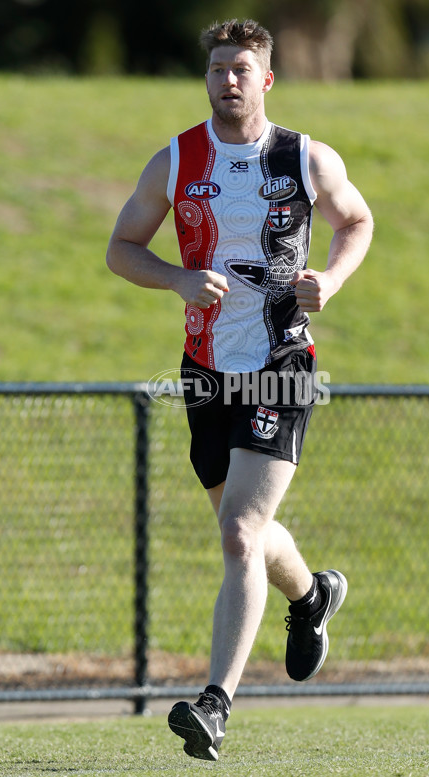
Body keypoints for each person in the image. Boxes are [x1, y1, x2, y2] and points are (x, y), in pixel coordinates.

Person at [106, 18, 373, 762]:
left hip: (282, 364)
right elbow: (120, 248)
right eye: (218, 68)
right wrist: (177, 278)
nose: (229, 80)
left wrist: (335, 278)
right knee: (246, 529)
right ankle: (311, 595)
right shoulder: (177, 159)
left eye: (242, 69)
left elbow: (356, 219)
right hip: (204, 369)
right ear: (208, 77)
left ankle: (216, 702)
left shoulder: (303, 157)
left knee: (238, 535)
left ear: (267, 79)